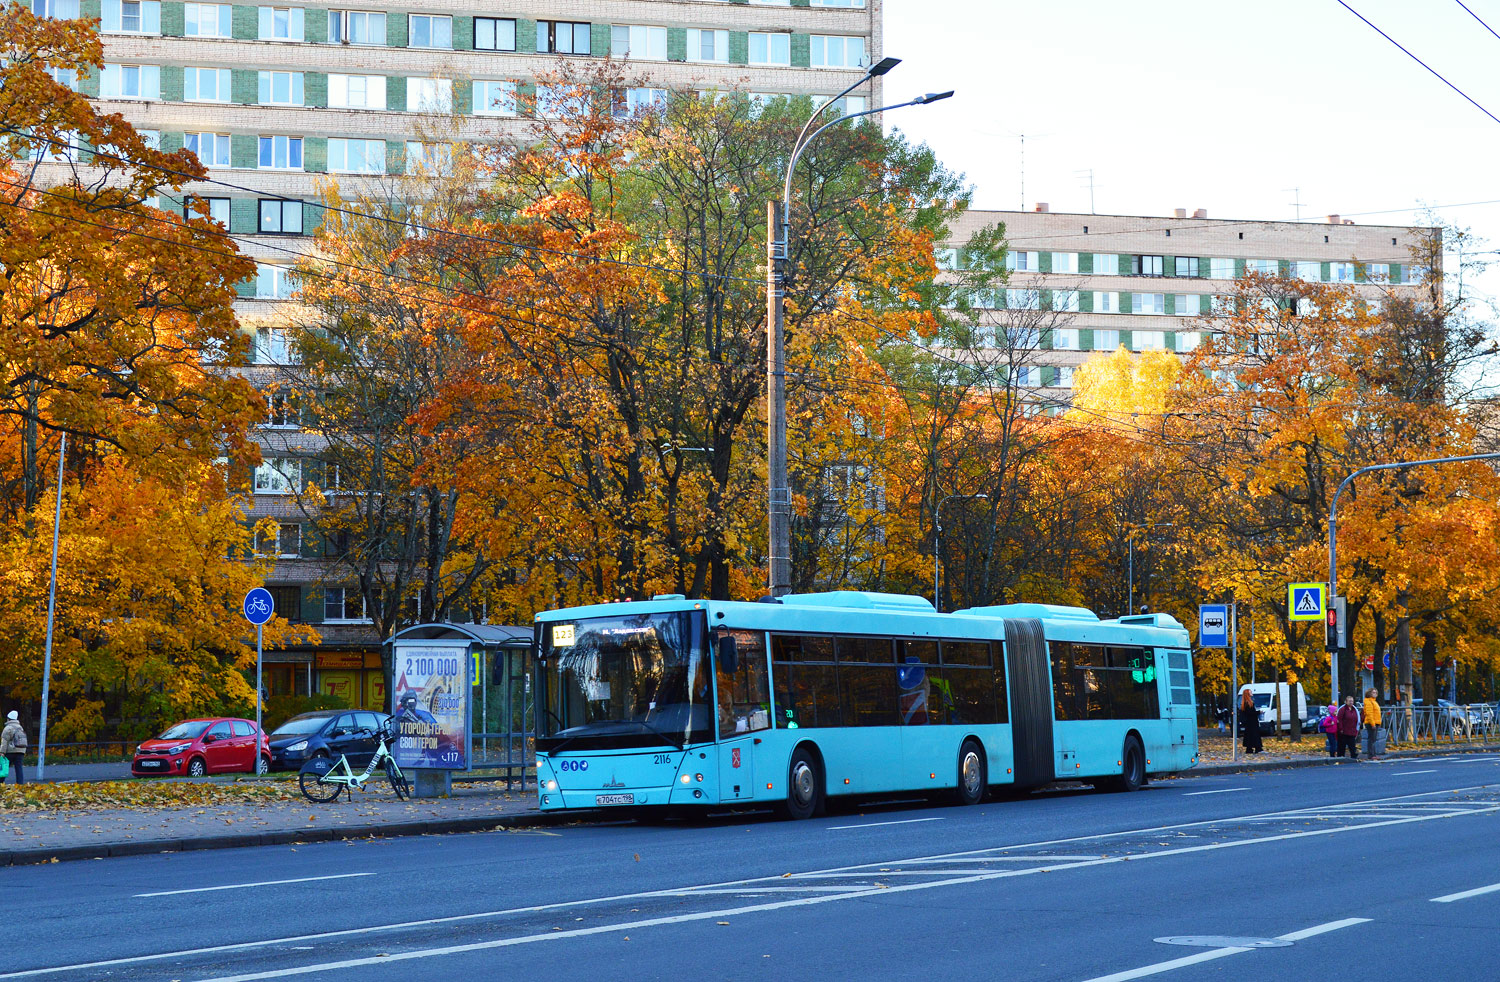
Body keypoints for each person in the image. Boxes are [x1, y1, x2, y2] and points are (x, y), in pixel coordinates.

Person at [1, 711, 26, 784]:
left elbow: (4, 741)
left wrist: (2, 752)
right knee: (19, 768)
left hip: (10, 751)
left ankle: (1, 782)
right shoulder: (20, 727)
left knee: (4, 767)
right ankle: (20, 784)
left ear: (8, 719)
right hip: (21, 751)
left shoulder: (8, 728)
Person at [1336, 694, 1361, 759]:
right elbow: (1339, 719)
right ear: (1346, 701)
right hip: (1343, 731)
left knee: (1352, 744)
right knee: (1342, 745)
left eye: (1352, 701)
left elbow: (1357, 718)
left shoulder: (1354, 709)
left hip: (1352, 730)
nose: (1351, 702)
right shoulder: (1342, 709)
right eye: (1349, 701)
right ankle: (1340, 756)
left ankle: (1353, 756)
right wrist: (1340, 729)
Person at [1362, 688, 1383, 761]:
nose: (1375, 694)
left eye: (1376, 692)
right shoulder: (1368, 701)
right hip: (1371, 723)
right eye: (1373, 692)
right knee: (1371, 739)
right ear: (1369, 693)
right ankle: (1371, 755)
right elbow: (1369, 713)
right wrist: (1373, 724)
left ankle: (1373, 754)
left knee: (1373, 739)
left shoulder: (1373, 701)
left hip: (1375, 722)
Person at [1240, 689, 1263, 754]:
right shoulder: (1249, 703)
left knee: (1249, 735)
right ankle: (1257, 748)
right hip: (1252, 722)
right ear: (1247, 694)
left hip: (1249, 722)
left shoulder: (1244, 703)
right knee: (1254, 734)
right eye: (1250, 692)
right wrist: (1258, 712)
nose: (1251, 693)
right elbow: (1250, 712)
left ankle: (1249, 748)